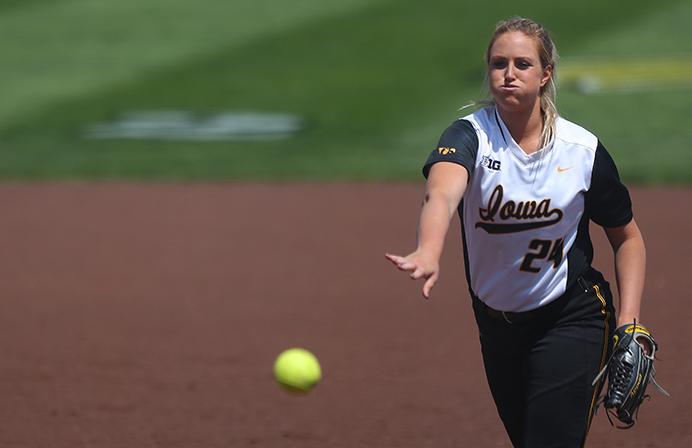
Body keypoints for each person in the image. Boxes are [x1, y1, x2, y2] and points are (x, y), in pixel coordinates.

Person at [385, 17, 647, 447]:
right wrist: (429, 250)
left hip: (571, 316)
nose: (508, 73)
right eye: (498, 63)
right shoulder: (470, 136)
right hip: (497, 327)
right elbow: (442, 194)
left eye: (522, 64)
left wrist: (629, 322)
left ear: (545, 74)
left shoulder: (581, 151)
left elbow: (628, 237)